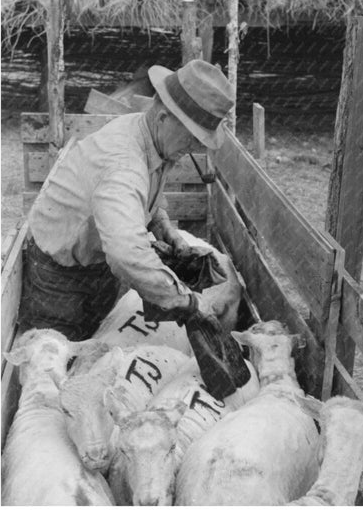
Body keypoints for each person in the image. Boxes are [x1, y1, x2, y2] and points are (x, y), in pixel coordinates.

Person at [18, 59, 235, 341]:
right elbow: (126, 255)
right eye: (193, 137)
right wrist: (189, 302)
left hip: (98, 266)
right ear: (163, 118)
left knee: (99, 349)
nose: (194, 147)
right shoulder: (123, 166)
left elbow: (144, 195)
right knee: (57, 363)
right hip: (59, 279)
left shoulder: (149, 137)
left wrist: (164, 229)